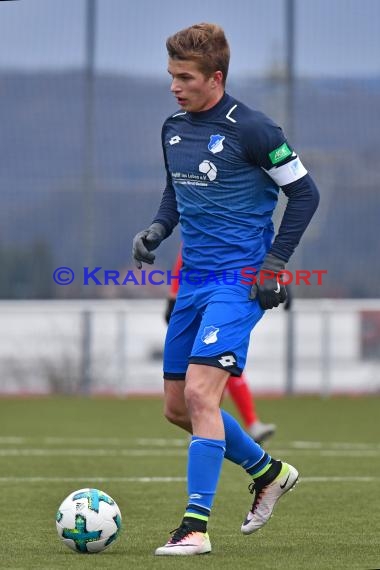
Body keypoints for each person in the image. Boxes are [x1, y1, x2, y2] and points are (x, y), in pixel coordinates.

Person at [132, 23, 319, 556]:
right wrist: (158, 229)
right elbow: (176, 189)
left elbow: (305, 195)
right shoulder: (172, 127)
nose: (174, 86)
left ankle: (195, 526)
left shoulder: (255, 129)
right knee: (176, 407)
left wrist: (275, 263)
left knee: (199, 393)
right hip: (191, 281)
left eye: (184, 77)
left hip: (237, 281)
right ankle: (269, 472)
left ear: (215, 78)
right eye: (171, 76)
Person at [165, 247, 278, 444]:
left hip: (228, 296)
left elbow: (264, 247)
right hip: (201, 298)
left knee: (220, 365)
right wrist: (174, 296)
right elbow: (185, 254)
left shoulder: (241, 230)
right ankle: (210, 422)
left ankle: (246, 427)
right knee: (212, 367)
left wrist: (278, 278)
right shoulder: (202, 227)